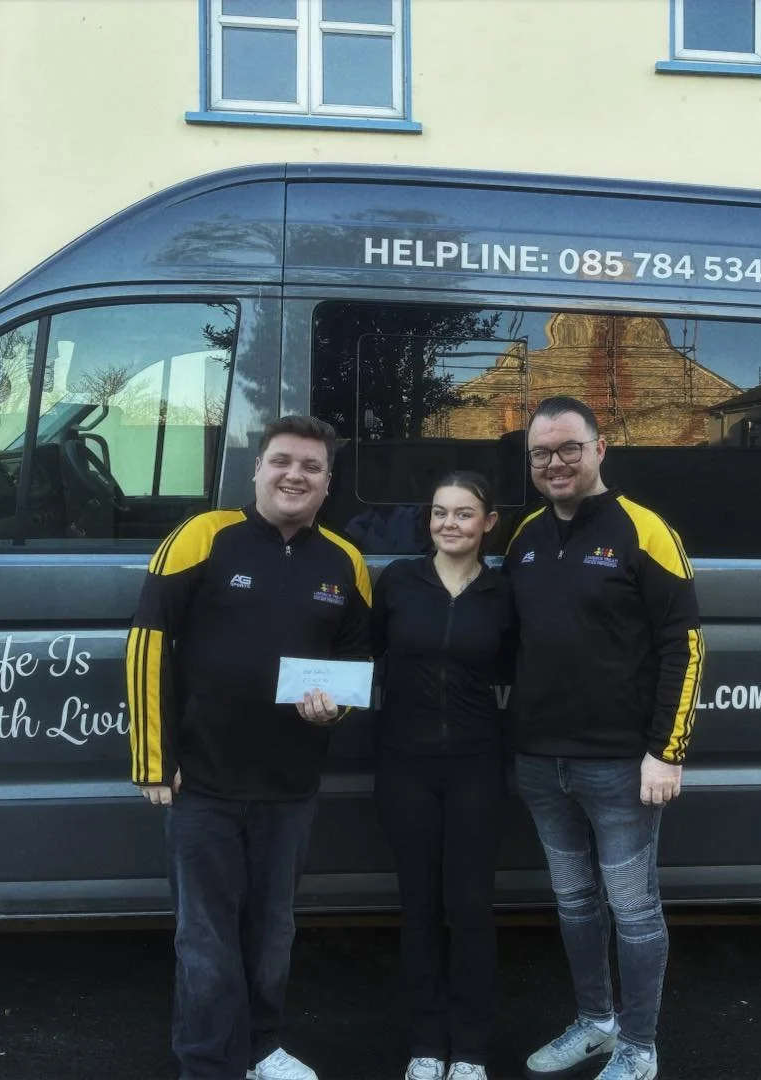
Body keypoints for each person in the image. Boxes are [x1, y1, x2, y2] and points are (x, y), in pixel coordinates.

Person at [127, 414, 372, 1080]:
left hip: (290, 788)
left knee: (271, 941)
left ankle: (262, 1047)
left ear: (327, 485)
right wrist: (155, 758)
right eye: (283, 461)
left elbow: (354, 659)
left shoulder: (344, 562)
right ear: (257, 469)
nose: (296, 475)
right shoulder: (203, 538)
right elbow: (149, 643)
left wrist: (334, 710)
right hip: (202, 784)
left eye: (312, 468)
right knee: (205, 944)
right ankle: (207, 1064)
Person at [505, 397, 704, 1080]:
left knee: (634, 910)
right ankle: (595, 1023)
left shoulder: (646, 532)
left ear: (599, 449)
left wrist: (667, 751)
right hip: (540, 763)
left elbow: (686, 645)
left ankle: (639, 1048)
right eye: (541, 453)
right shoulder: (524, 538)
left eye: (568, 448)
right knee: (574, 903)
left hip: (621, 766)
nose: (554, 463)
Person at [371, 471, 516, 1080]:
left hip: (477, 765)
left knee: (471, 906)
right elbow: (363, 655)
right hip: (403, 764)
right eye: (439, 513)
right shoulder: (399, 582)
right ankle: (428, 1045)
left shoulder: (506, 593)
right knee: (420, 906)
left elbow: (523, 666)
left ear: (489, 523)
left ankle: (473, 1049)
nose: (449, 524)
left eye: (463, 513)